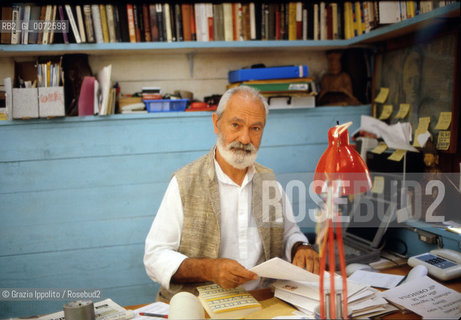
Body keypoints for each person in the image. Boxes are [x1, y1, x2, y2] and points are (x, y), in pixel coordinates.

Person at [144, 86, 319, 301]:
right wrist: (208, 269)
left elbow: (289, 233)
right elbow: (155, 256)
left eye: (255, 128)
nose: (245, 139)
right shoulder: (185, 182)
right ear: (216, 123)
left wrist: (301, 247)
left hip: (261, 301)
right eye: (236, 125)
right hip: (200, 306)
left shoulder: (268, 181)